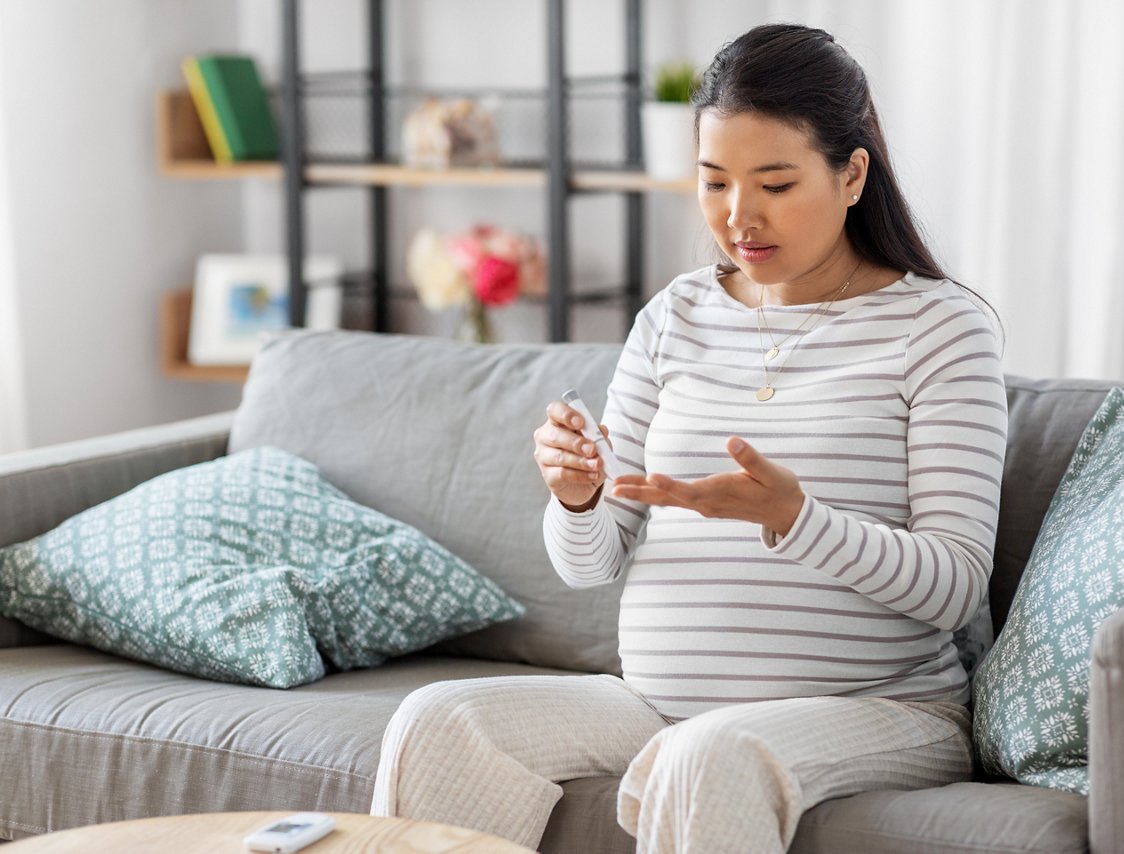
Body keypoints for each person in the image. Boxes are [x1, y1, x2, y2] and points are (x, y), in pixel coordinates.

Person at [372, 23, 1007, 854]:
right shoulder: (674, 316)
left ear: (852, 174)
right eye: (714, 182)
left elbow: (955, 586)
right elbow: (592, 562)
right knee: (439, 718)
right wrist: (578, 497)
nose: (740, 216)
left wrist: (796, 518)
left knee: (711, 754)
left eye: (775, 183)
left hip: (878, 710)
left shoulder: (941, 327)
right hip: (658, 701)